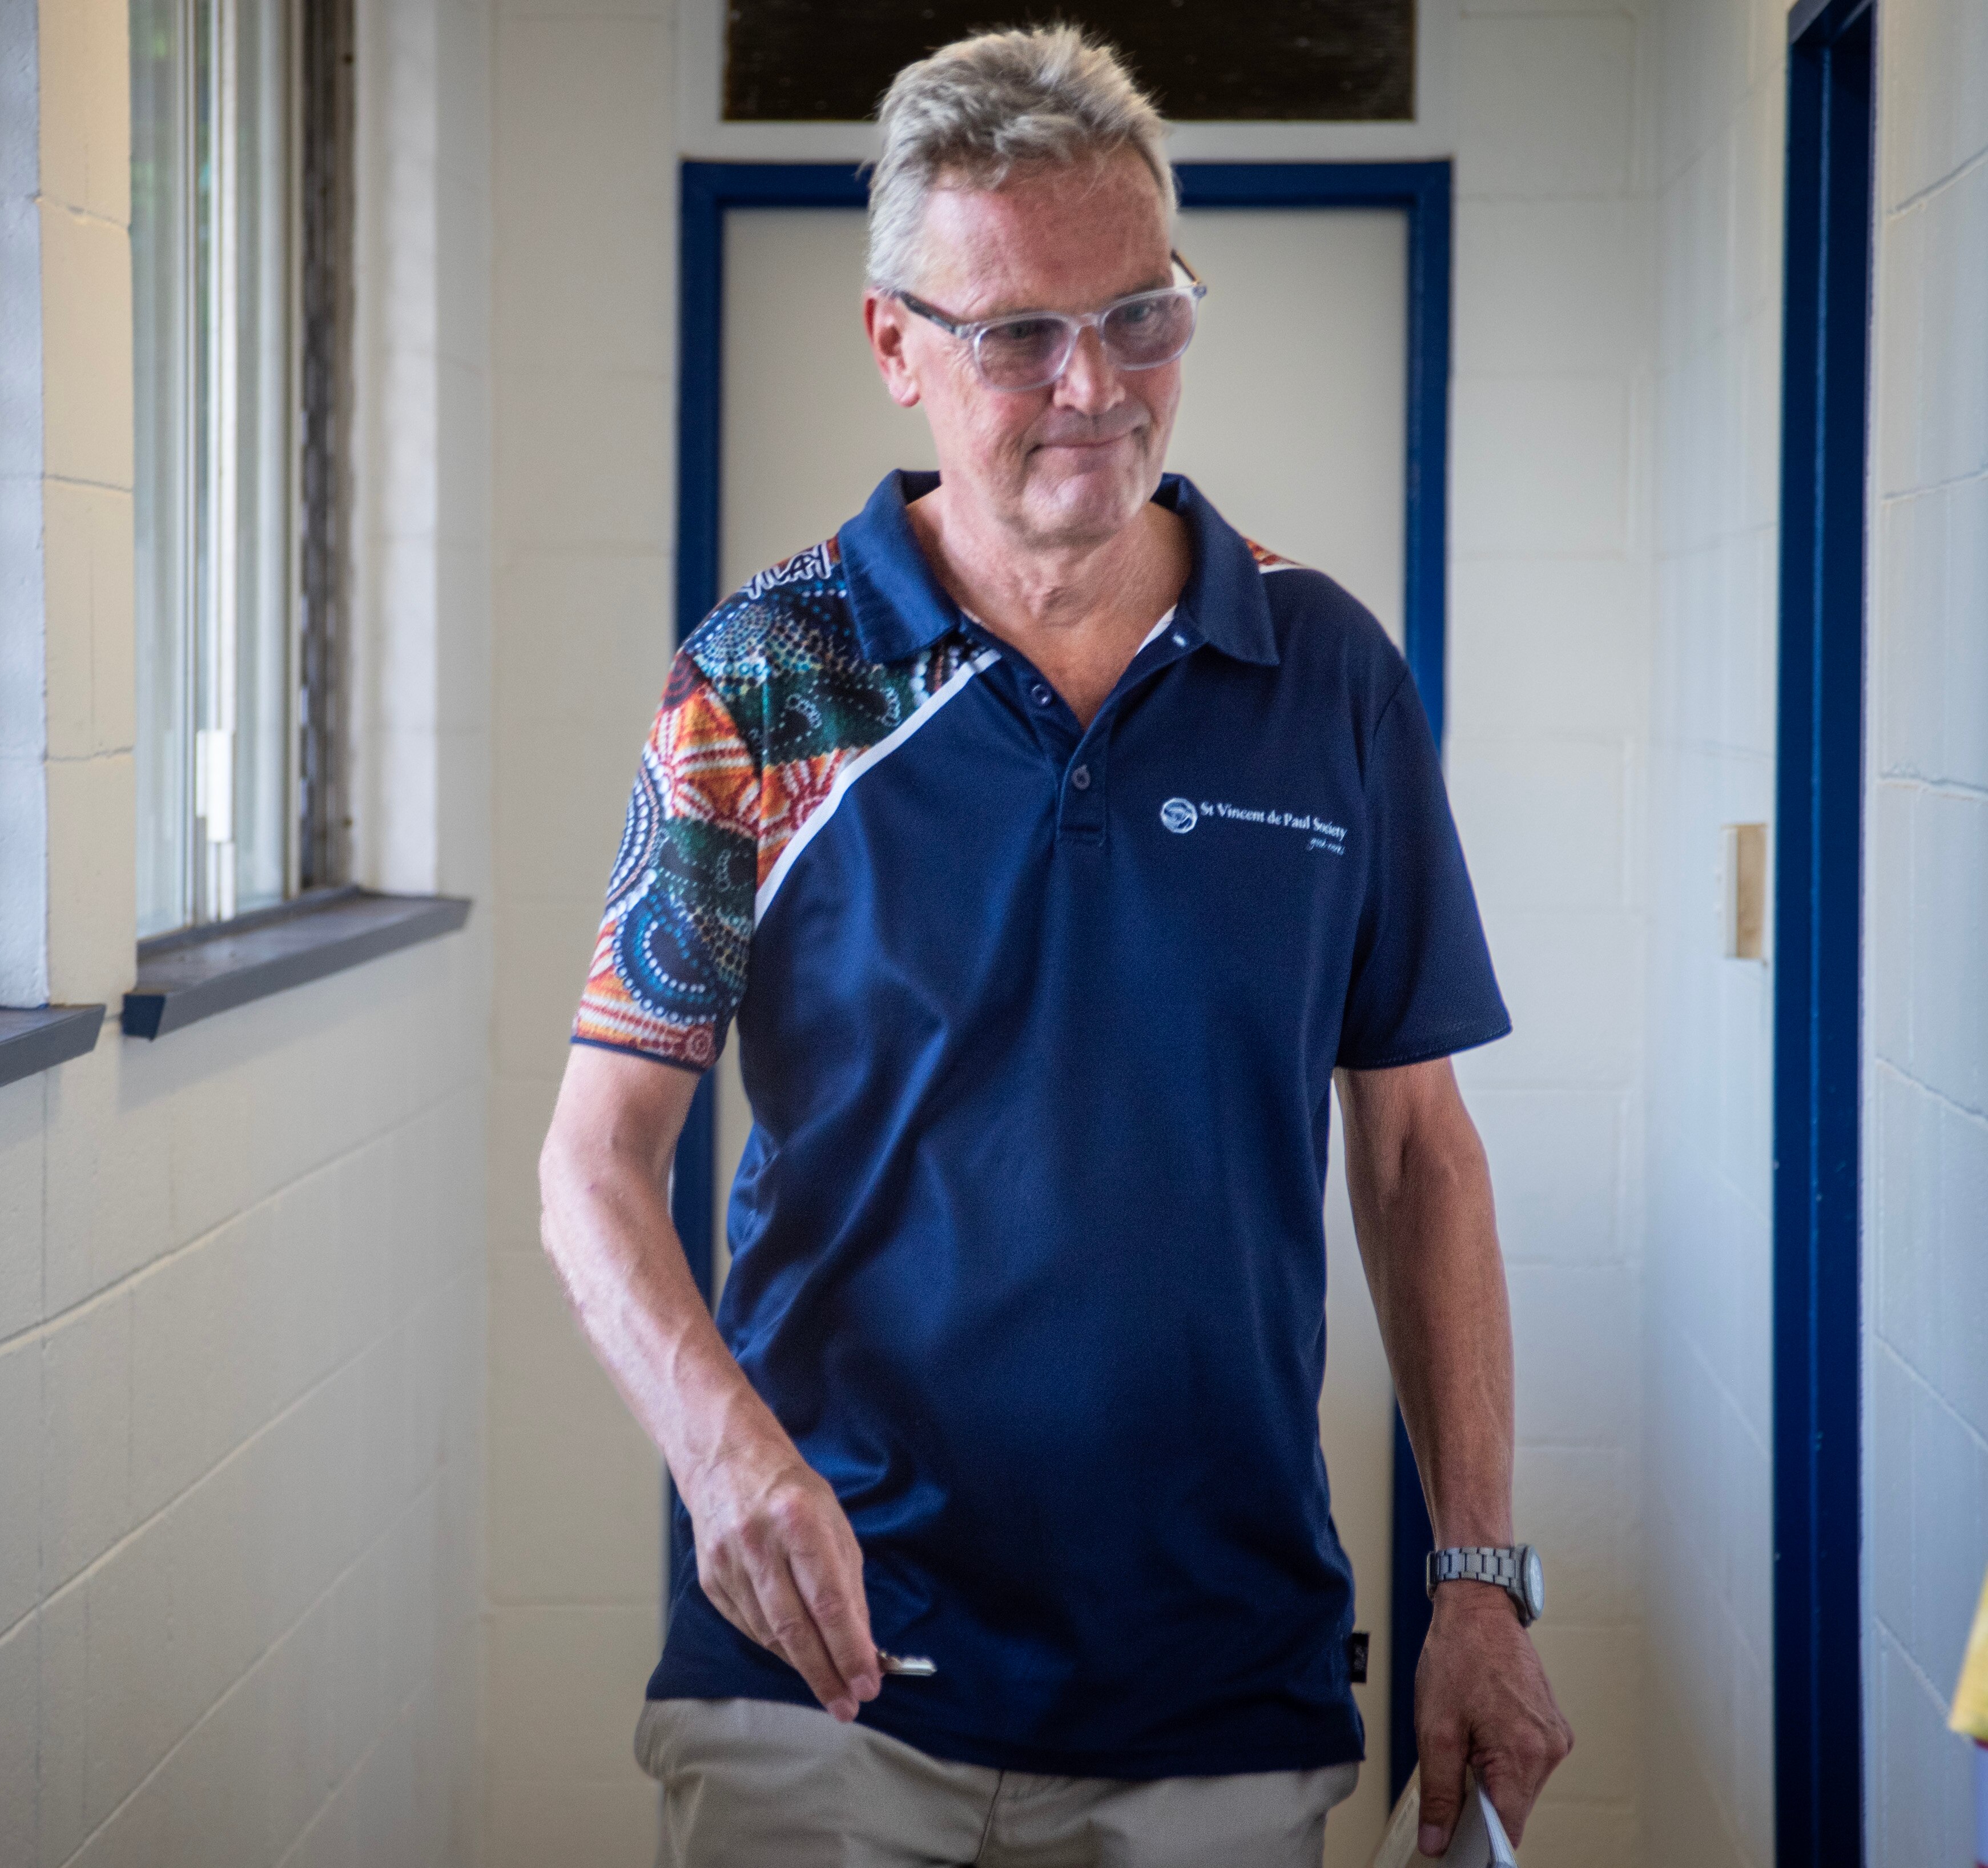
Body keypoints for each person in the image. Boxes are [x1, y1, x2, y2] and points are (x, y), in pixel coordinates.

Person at [536, 24, 1572, 1868]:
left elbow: (1415, 1153)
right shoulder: (766, 681)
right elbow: (591, 1162)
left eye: (1142, 314)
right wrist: (723, 1458)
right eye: (1017, 332)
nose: (1092, 384)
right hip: (818, 1669)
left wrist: (1477, 1581)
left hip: (1213, 1687)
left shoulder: (1324, 676)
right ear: (894, 349)